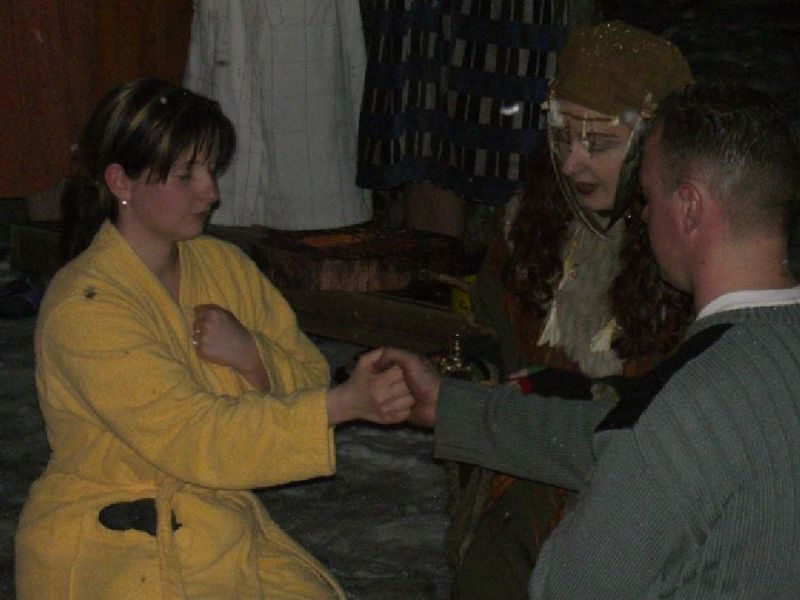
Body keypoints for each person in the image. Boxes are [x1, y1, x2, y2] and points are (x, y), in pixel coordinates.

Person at [380, 79, 800, 598]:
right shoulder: (749, 370)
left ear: (690, 207)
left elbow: (568, 584)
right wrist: (451, 409)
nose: (643, 215)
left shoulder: (683, 404)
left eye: (647, 197)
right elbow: (610, 438)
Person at [14, 78, 413, 599]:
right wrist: (340, 405)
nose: (212, 193)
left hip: (214, 525)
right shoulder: (85, 307)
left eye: (211, 171)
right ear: (121, 181)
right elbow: (193, 435)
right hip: (109, 542)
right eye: (186, 175)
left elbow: (308, 374)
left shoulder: (223, 265)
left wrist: (254, 358)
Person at [444, 21, 693, 599]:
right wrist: (478, 370)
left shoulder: (689, 260)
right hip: (525, 484)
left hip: (630, 502)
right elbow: (489, 327)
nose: (573, 163)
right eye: (561, 137)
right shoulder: (528, 227)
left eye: (599, 143)